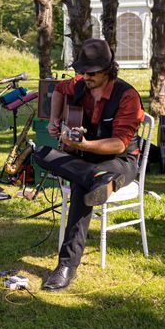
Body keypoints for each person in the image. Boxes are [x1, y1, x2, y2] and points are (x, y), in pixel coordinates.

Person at [33, 38, 144, 290]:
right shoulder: (81, 83)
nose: (85, 76)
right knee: (41, 153)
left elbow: (118, 144)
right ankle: (96, 180)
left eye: (91, 72)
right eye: (82, 71)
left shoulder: (127, 96)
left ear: (108, 69)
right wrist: (53, 121)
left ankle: (66, 266)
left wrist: (83, 146)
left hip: (120, 162)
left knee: (84, 189)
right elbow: (59, 90)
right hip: (89, 161)